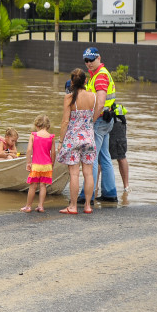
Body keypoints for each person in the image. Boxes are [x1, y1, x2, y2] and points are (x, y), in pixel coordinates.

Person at [78, 47, 119, 204]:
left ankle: (86, 196)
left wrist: (90, 122)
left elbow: (100, 102)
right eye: (86, 60)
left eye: (91, 59)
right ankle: (109, 193)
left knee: (91, 158)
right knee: (104, 157)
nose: (88, 63)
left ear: (99, 58)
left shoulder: (100, 76)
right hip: (106, 121)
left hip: (99, 120)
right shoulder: (98, 74)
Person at [57, 68, 97, 215]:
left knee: (74, 174)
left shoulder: (69, 98)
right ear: (85, 81)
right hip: (89, 137)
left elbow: (65, 121)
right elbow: (95, 114)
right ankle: (87, 206)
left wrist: (61, 141)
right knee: (88, 173)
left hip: (73, 139)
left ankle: (73, 206)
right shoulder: (93, 96)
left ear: (72, 82)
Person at [20, 114, 56, 214]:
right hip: (47, 165)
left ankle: (28, 206)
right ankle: (40, 206)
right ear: (48, 126)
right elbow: (53, 152)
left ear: (37, 125)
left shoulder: (34, 135)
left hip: (36, 164)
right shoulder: (51, 137)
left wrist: (28, 162)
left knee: (33, 186)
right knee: (43, 186)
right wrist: (52, 164)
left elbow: (28, 150)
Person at [110, 102, 130, 193]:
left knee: (121, 156)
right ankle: (95, 188)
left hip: (114, 119)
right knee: (99, 157)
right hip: (114, 118)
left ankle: (126, 186)